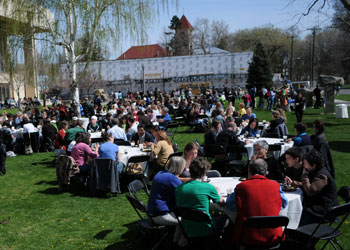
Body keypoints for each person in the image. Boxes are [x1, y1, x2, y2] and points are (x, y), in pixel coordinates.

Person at [226, 159, 288, 247]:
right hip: (272, 236)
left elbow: (230, 205)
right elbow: (284, 203)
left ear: (249, 171)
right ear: (266, 172)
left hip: (247, 236)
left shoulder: (242, 186)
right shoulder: (275, 185)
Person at [175, 158, 225, 240]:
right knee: (226, 217)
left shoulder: (179, 188)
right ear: (204, 173)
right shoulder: (208, 187)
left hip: (187, 229)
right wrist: (218, 192)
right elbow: (222, 203)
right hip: (206, 229)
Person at [299, 150, 338, 226]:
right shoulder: (317, 171)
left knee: (300, 209)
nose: (304, 165)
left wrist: (304, 175)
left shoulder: (322, 176)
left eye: (306, 163)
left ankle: (299, 233)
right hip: (320, 203)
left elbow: (310, 191)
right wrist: (294, 183)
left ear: (313, 165)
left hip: (324, 209)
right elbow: (311, 185)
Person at [147, 156, 186, 226]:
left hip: (152, 211)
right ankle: (180, 237)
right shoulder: (172, 178)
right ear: (180, 168)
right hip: (160, 215)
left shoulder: (160, 173)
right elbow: (185, 194)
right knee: (188, 221)